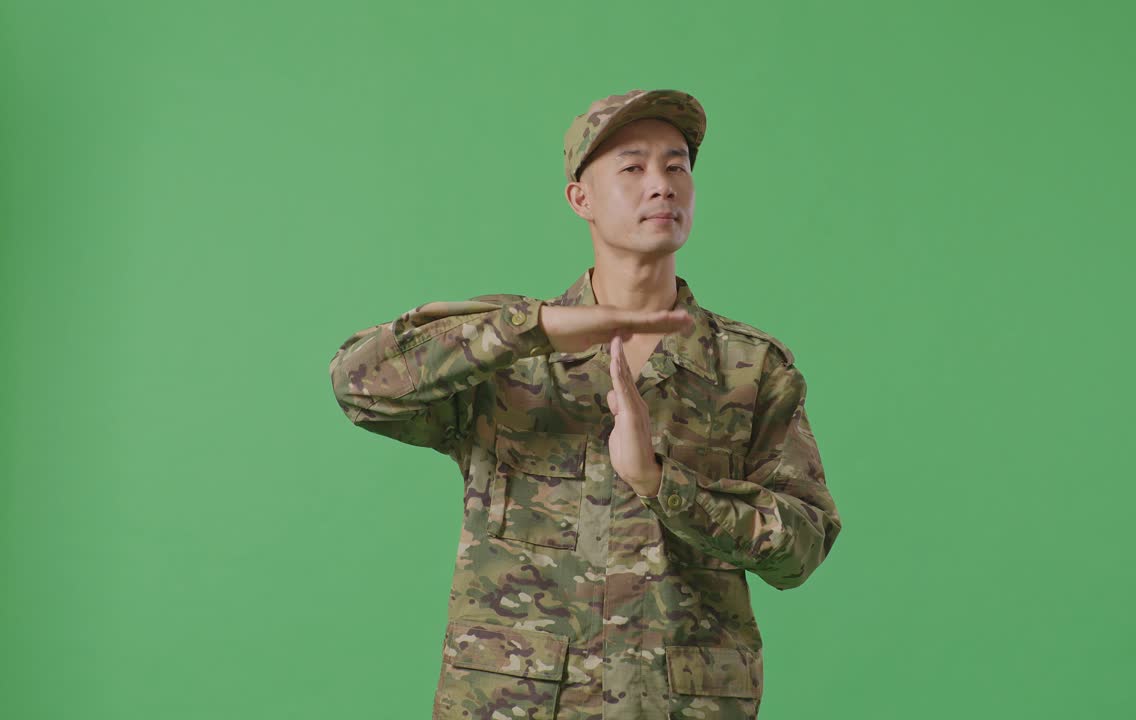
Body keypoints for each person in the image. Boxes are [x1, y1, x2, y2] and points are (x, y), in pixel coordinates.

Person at [328, 88, 842, 720]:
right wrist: (531, 330)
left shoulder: (749, 367)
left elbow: (803, 547)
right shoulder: (506, 357)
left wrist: (659, 483)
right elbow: (358, 384)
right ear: (581, 198)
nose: (661, 185)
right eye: (632, 167)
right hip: (516, 701)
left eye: (676, 165)